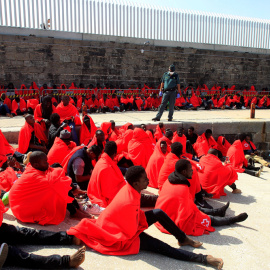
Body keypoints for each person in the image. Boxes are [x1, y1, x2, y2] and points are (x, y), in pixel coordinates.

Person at [67, 166, 224, 269]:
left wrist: (142, 220)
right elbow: (130, 232)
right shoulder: (128, 199)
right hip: (121, 235)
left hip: (127, 225)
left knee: (158, 212)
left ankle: (182, 238)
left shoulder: (132, 189)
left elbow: (136, 217)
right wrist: (142, 226)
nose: (148, 181)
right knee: (162, 247)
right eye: (145, 180)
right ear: (136, 183)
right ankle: (203, 259)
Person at [155, 159, 248, 236]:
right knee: (206, 219)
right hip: (170, 217)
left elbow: (188, 206)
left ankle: (218, 212)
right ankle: (231, 220)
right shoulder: (182, 188)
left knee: (195, 208)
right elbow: (185, 216)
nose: (192, 170)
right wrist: (200, 215)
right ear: (184, 172)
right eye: (190, 169)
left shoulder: (171, 179)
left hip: (166, 211)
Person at [0, 200, 85, 269]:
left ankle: (69, 238)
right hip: (22, 209)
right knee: (16, 255)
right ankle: (65, 261)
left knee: (24, 233)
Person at [9, 152, 74, 225]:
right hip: (22, 210)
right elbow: (52, 181)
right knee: (58, 184)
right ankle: (74, 211)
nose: (48, 164)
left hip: (20, 204)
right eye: (45, 162)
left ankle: (75, 204)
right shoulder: (34, 176)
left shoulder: (31, 166)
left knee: (56, 172)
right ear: (36, 165)